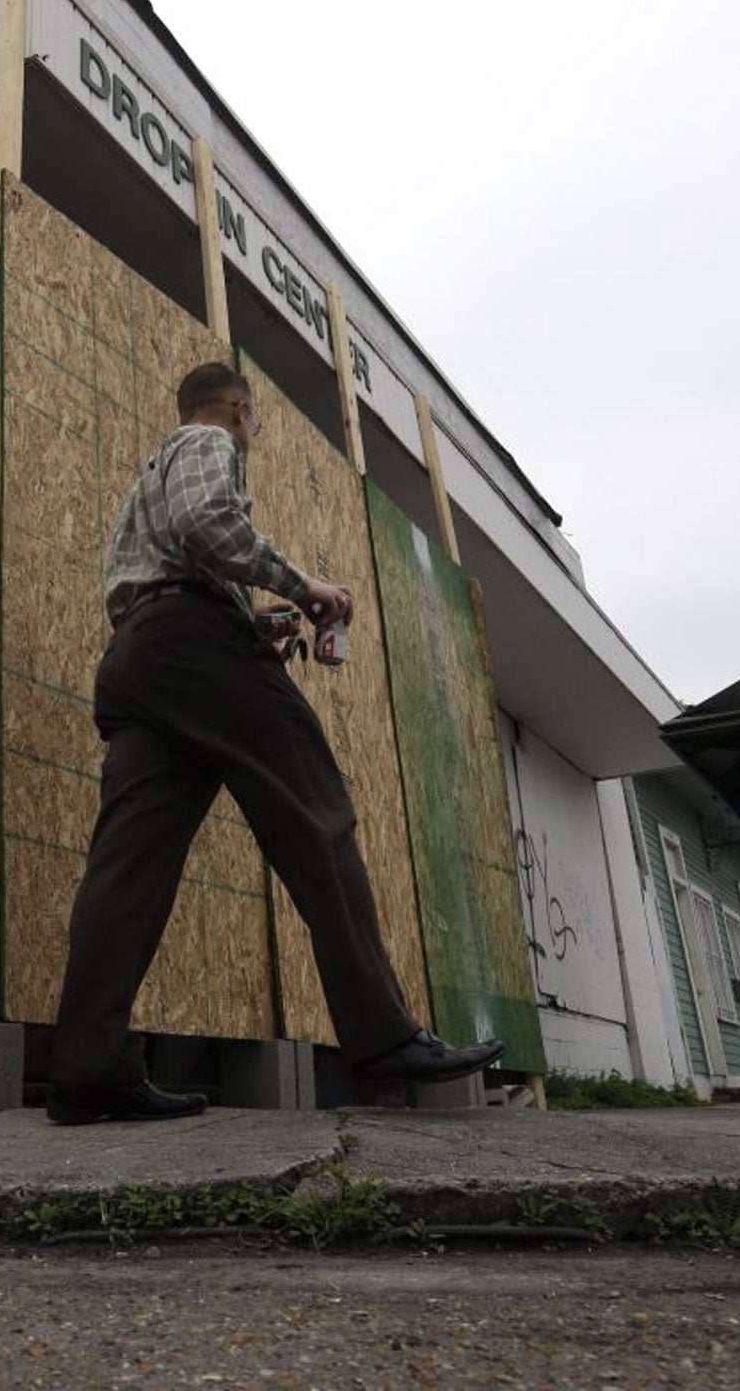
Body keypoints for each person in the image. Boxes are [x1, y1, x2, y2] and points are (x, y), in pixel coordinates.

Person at [46, 360, 505, 1125]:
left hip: (138, 661)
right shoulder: (205, 442)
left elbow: (175, 564)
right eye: (253, 422)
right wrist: (304, 587)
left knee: (128, 868)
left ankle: (88, 1068)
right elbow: (207, 526)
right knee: (320, 817)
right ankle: (385, 1034)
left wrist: (256, 620)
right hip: (191, 646)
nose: (252, 433)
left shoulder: (144, 485)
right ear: (237, 408)